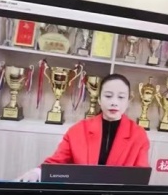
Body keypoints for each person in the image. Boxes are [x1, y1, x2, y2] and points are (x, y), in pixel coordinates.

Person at [19, 74, 149, 181]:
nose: (114, 102)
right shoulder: (78, 130)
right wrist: (37, 172)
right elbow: (57, 162)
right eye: (108, 96)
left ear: (128, 101)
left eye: (121, 97)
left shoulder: (138, 135)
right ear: (99, 99)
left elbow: (140, 177)